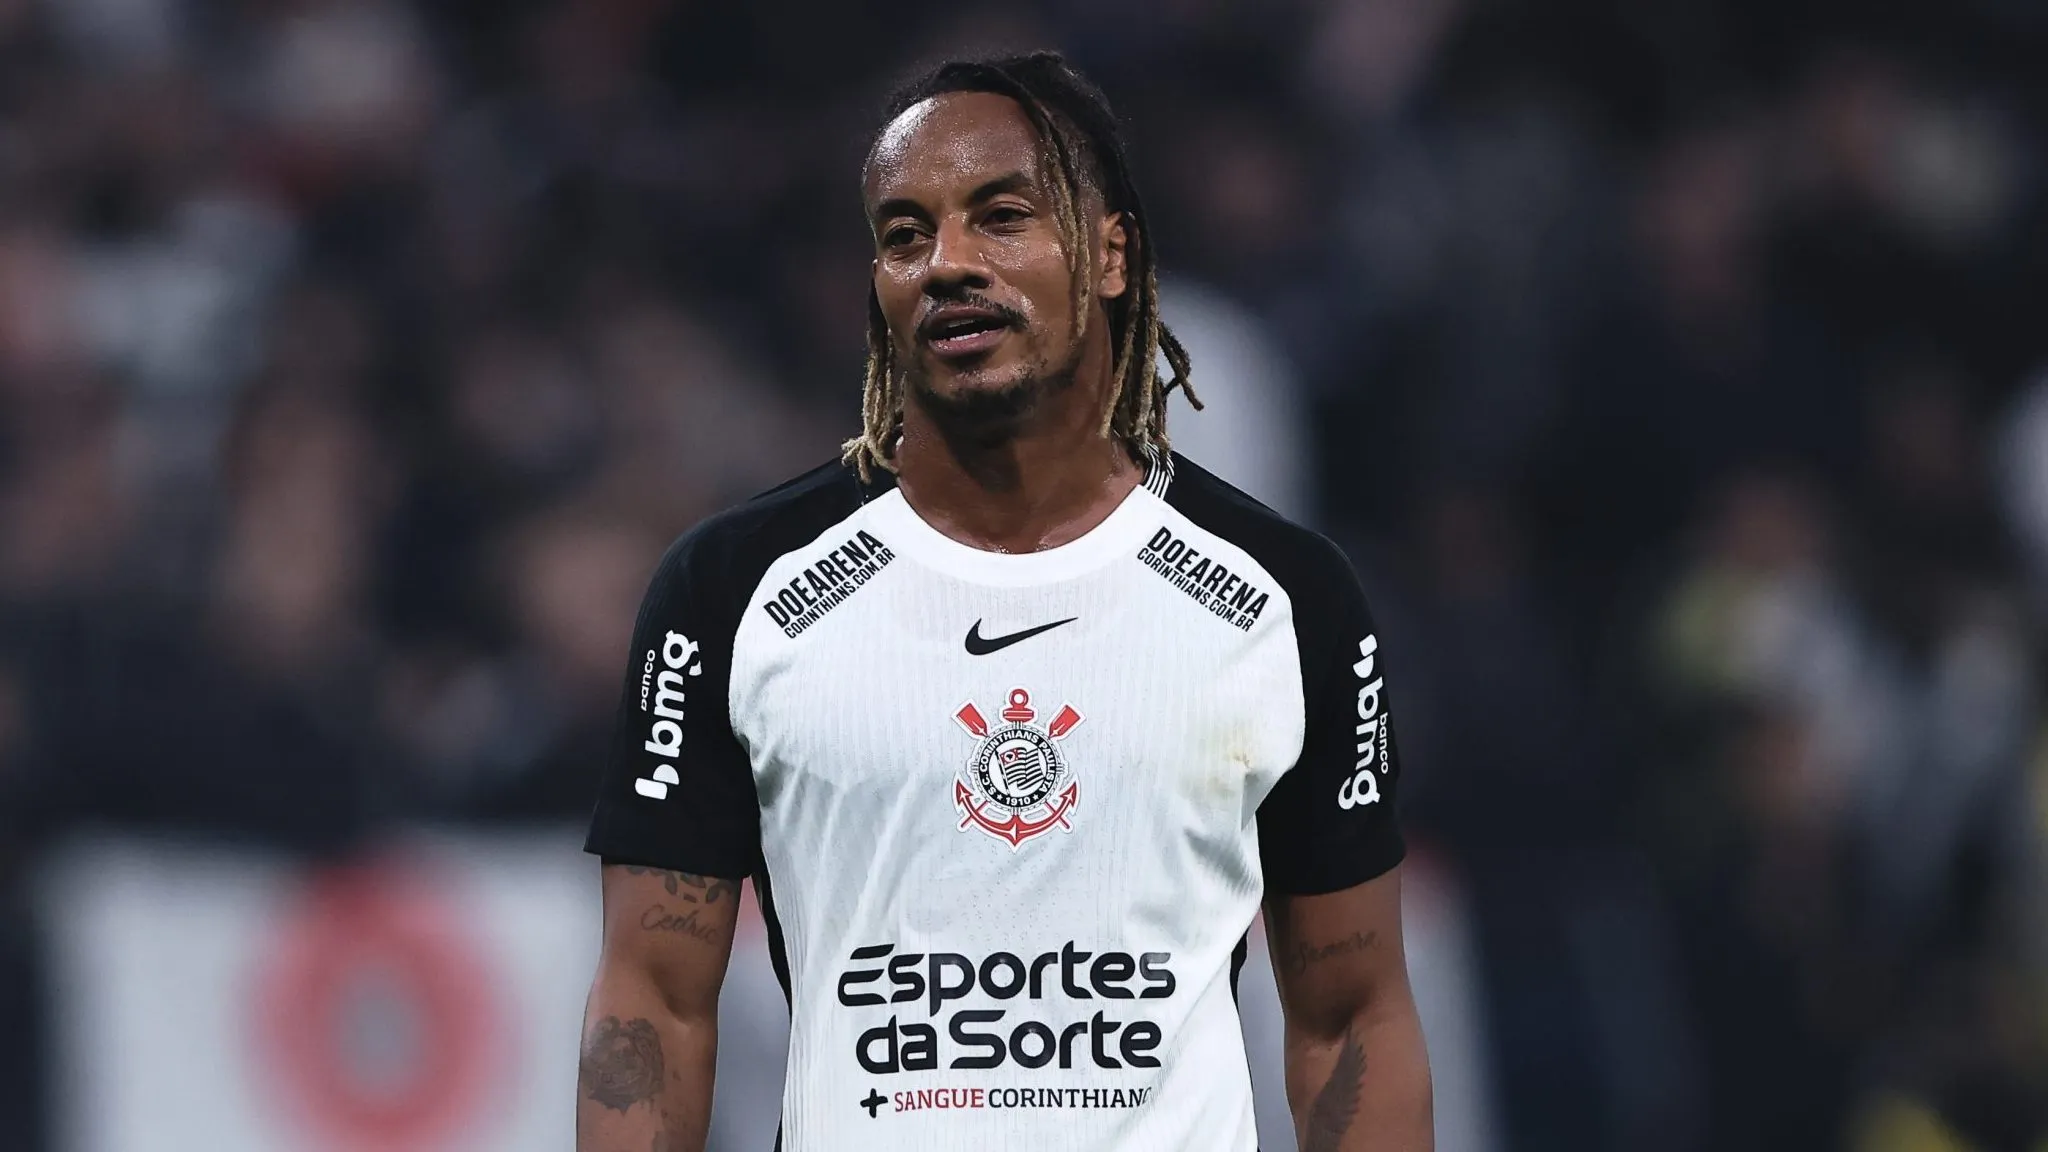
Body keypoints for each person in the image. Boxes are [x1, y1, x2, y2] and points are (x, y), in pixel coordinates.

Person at [578, 51, 1433, 1152]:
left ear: (1111, 255)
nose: (946, 264)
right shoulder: (729, 593)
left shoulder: (1282, 598)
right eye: (903, 235)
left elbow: (1351, 1014)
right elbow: (652, 1002)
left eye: (1000, 217)